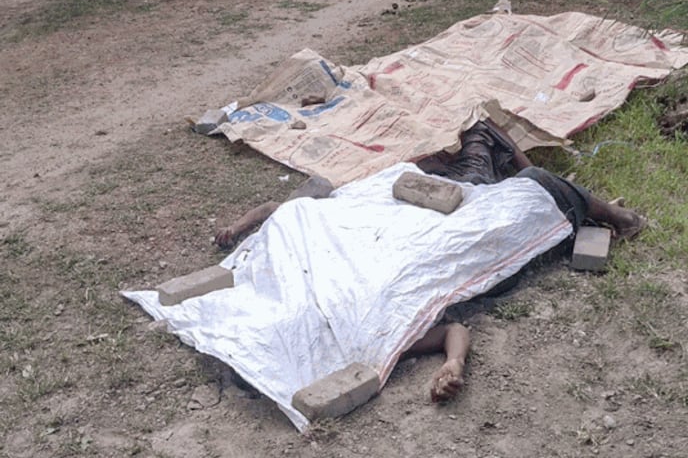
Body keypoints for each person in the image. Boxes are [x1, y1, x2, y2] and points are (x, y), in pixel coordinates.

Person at [215, 119, 646, 402]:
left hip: (417, 207)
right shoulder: (372, 335)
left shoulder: (305, 293)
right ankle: (618, 217)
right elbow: (451, 331)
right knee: (531, 184)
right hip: (452, 216)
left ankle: (494, 149)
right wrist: (454, 363)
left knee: (487, 156)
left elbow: (291, 217)